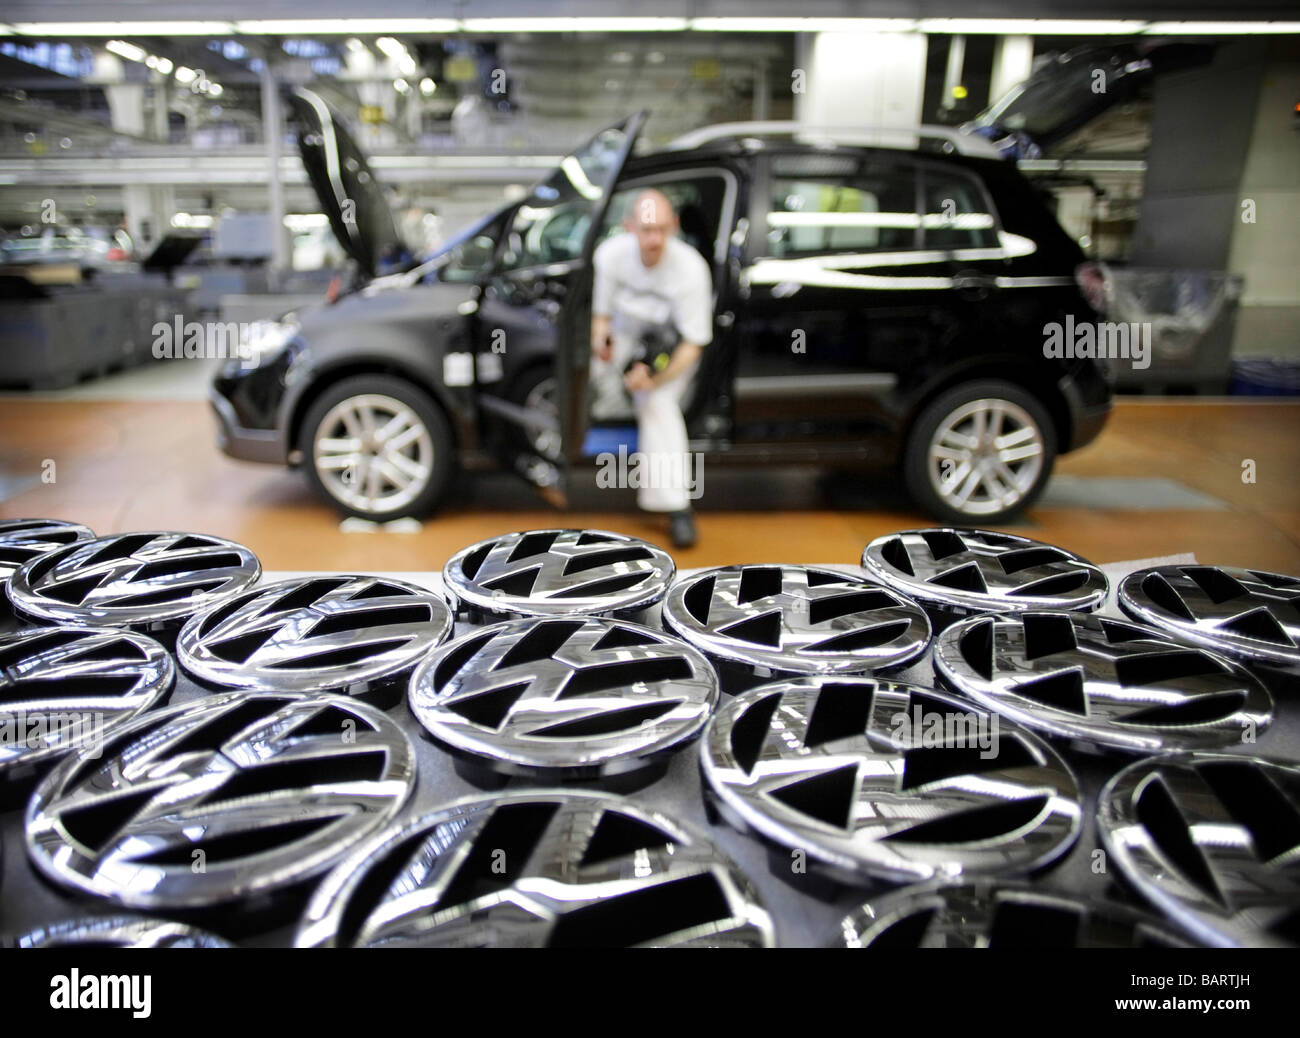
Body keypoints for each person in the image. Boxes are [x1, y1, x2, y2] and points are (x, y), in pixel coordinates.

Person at [590, 189, 712, 549]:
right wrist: (603, 344)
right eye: (646, 230)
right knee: (593, 376)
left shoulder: (692, 269)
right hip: (627, 337)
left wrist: (652, 378)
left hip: (671, 350)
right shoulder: (609, 256)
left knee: (656, 403)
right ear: (629, 228)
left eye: (661, 229)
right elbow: (601, 317)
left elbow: (693, 343)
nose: (654, 239)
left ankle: (677, 508)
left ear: (674, 226)